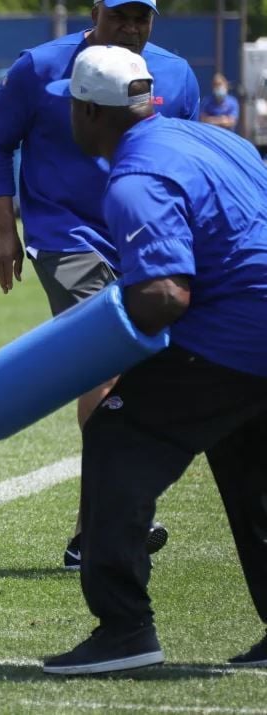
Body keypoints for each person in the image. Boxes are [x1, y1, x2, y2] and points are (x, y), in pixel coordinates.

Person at [40, 44, 267, 675]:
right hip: (255, 328)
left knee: (117, 428)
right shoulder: (220, 142)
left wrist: (92, 344)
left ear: (90, 112)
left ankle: (123, 629)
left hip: (240, 330)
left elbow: (166, 294)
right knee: (247, 456)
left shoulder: (135, 177)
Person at [0, 0, 200, 570]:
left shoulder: (176, 75)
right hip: (64, 234)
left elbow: (183, 158)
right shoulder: (39, 67)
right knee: (105, 363)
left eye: (141, 17)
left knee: (150, 374)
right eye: (119, 15)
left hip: (142, 235)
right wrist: (6, 230)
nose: (130, 27)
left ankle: (90, 532)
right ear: (95, 11)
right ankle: (117, 518)